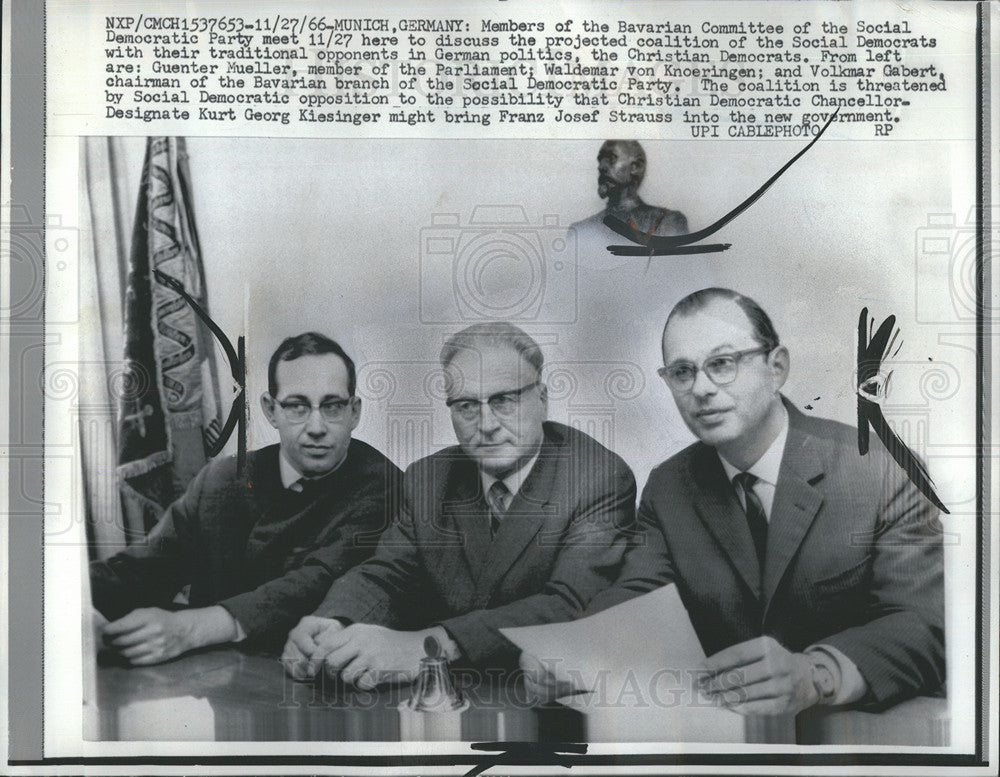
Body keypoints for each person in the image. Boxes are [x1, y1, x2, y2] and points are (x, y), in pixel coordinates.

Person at [523, 288, 945, 714]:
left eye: (722, 364)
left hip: (857, 737)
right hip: (728, 739)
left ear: (776, 368)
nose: (701, 388)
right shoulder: (669, 487)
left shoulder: (882, 469)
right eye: (682, 372)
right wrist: (574, 648)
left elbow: (923, 624)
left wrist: (818, 674)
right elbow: (639, 597)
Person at [282, 322, 637, 690]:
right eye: (467, 405)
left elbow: (571, 605)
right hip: (440, 699)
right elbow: (387, 574)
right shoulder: (428, 479)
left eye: (504, 400)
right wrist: (331, 623)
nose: (486, 425)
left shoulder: (599, 478)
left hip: (540, 697)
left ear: (542, 399)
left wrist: (429, 646)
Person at [91, 332, 402, 665]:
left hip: (308, 683)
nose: (316, 426)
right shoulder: (222, 479)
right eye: (297, 406)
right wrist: (78, 602)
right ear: (270, 410)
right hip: (210, 685)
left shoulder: (384, 486)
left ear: (354, 412)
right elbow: (145, 567)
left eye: (332, 406)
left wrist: (190, 628)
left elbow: (316, 582)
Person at [569, 140, 688, 240]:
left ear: (636, 167)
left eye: (611, 158)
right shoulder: (580, 231)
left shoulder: (667, 222)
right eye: (601, 160)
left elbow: (674, 266)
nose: (601, 167)